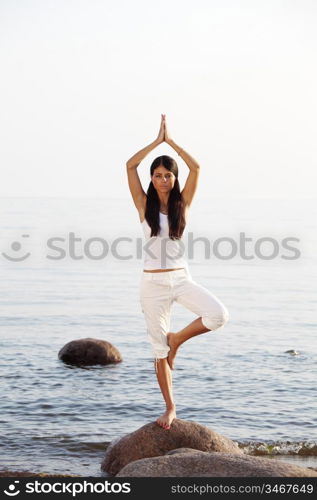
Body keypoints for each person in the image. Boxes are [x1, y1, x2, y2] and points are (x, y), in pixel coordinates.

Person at [126, 114, 229, 430]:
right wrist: (155, 142)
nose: (162, 179)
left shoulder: (183, 204)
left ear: (174, 177)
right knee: (158, 350)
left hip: (182, 278)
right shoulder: (144, 205)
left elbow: (196, 168)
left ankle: (178, 339)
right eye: (157, 175)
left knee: (218, 315)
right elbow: (130, 166)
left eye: (167, 175)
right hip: (152, 285)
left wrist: (171, 142)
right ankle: (170, 408)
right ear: (152, 178)